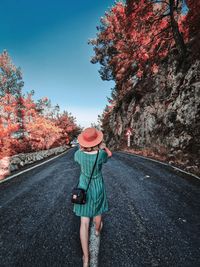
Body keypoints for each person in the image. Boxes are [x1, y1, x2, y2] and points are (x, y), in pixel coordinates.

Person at [73, 127, 112, 267]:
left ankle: (86, 259)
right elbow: (110, 155)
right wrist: (104, 147)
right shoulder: (101, 154)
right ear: (97, 140)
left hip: (83, 188)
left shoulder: (78, 154)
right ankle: (97, 230)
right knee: (97, 212)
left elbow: (78, 155)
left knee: (83, 223)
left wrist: (82, 148)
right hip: (97, 187)